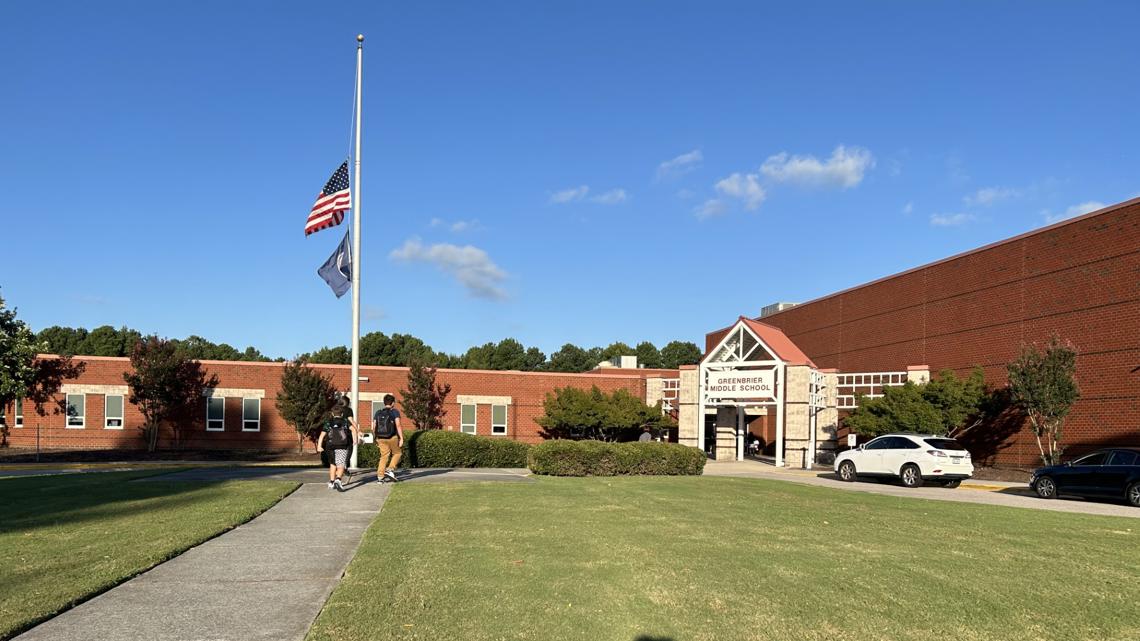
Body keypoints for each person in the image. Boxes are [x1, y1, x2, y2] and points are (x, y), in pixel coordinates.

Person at [317, 397, 359, 492]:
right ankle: (338, 479)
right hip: (342, 446)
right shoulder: (345, 421)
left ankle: (331, 482)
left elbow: (322, 435)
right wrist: (355, 439)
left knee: (333, 464)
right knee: (341, 465)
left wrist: (319, 446)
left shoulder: (329, 423)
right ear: (342, 414)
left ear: (332, 414)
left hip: (330, 446)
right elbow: (353, 430)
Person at [373, 393, 405, 483]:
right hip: (392, 437)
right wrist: (401, 438)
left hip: (380, 437)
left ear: (384, 403)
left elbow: (374, 426)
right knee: (397, 453)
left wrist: (375, 437)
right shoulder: (394, 412)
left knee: (384, 456)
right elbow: (398, 425)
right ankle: (390, 469)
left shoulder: (378, 412)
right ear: (393, 403)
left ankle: (380, 477)